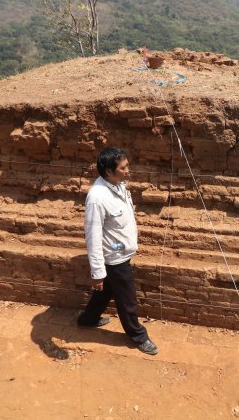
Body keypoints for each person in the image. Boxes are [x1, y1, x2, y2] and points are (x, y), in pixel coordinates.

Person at [77, 147, 158, 355]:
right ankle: (137, 335)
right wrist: (97, 272)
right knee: (127, 298)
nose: (128, 171)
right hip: (115, 257)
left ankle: (88, 319)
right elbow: (93, 237)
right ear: (108, 171)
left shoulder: (119, 185)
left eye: (127, 165)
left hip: (121, 250)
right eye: (123, 168)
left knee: (107, 291)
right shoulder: (97, 198)